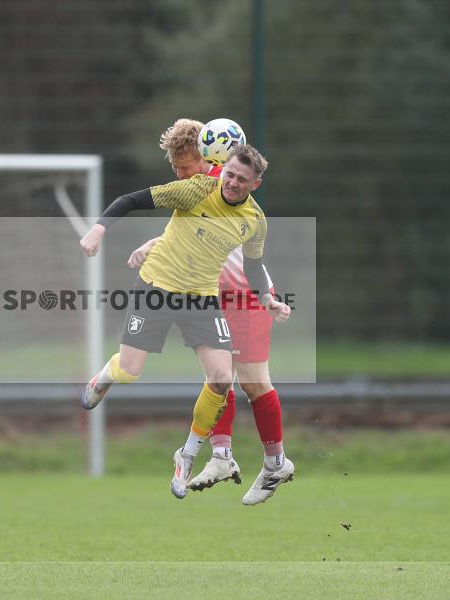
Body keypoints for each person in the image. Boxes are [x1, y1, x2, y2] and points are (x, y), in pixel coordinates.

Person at [79, 143, 291, 501]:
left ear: (255, 185)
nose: (232, 183)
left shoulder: (255, 221)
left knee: (222, 377)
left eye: (242, 179)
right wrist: (98, 229)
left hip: (202, 298)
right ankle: (106, 375)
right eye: (230, 174)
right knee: (130, 371)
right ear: (222, 169)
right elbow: (131, 199)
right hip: (157, 287)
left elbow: (253, 265)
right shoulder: (195, 189)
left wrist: (267, 298)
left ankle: (188, 454)